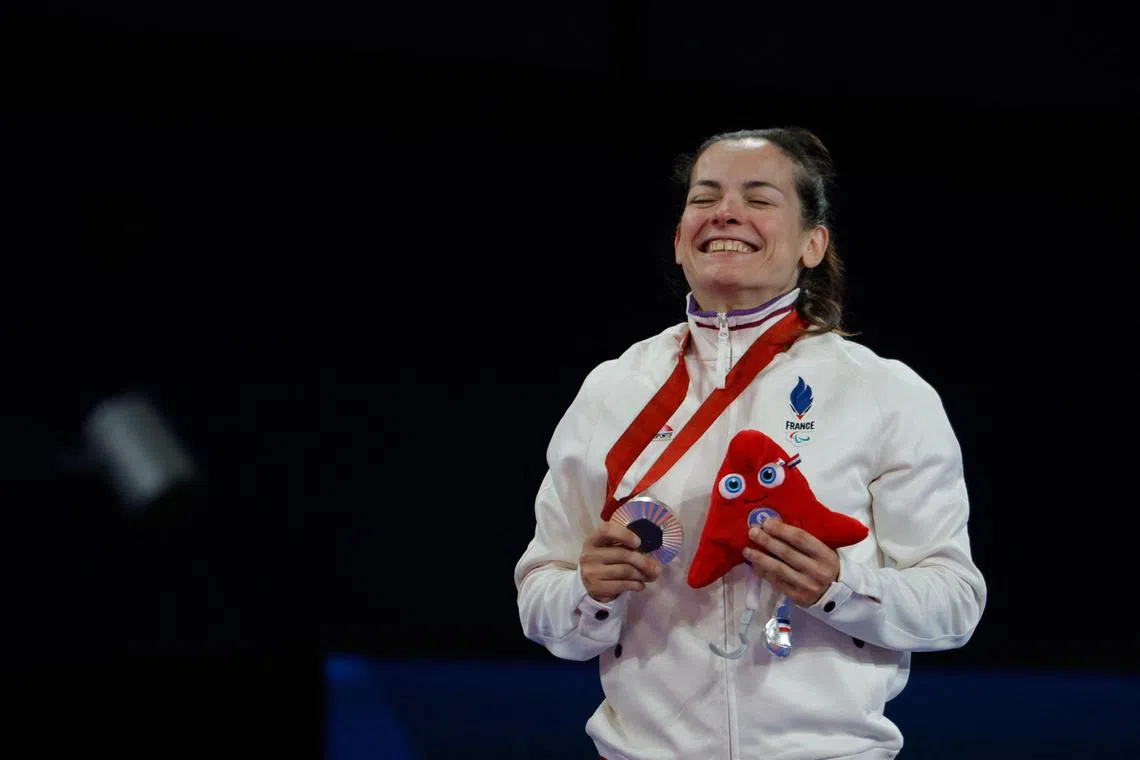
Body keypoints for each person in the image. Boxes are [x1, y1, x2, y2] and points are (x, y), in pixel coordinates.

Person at [513, 126, 986, 760]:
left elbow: (954, 604)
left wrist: (838, 586)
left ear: (813, 244)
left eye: (759, 198)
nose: (725, 212)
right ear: (679, 240)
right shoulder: (611, 389)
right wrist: (587, 592)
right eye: (704, 197)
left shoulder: (884, 392)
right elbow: (541, 598)